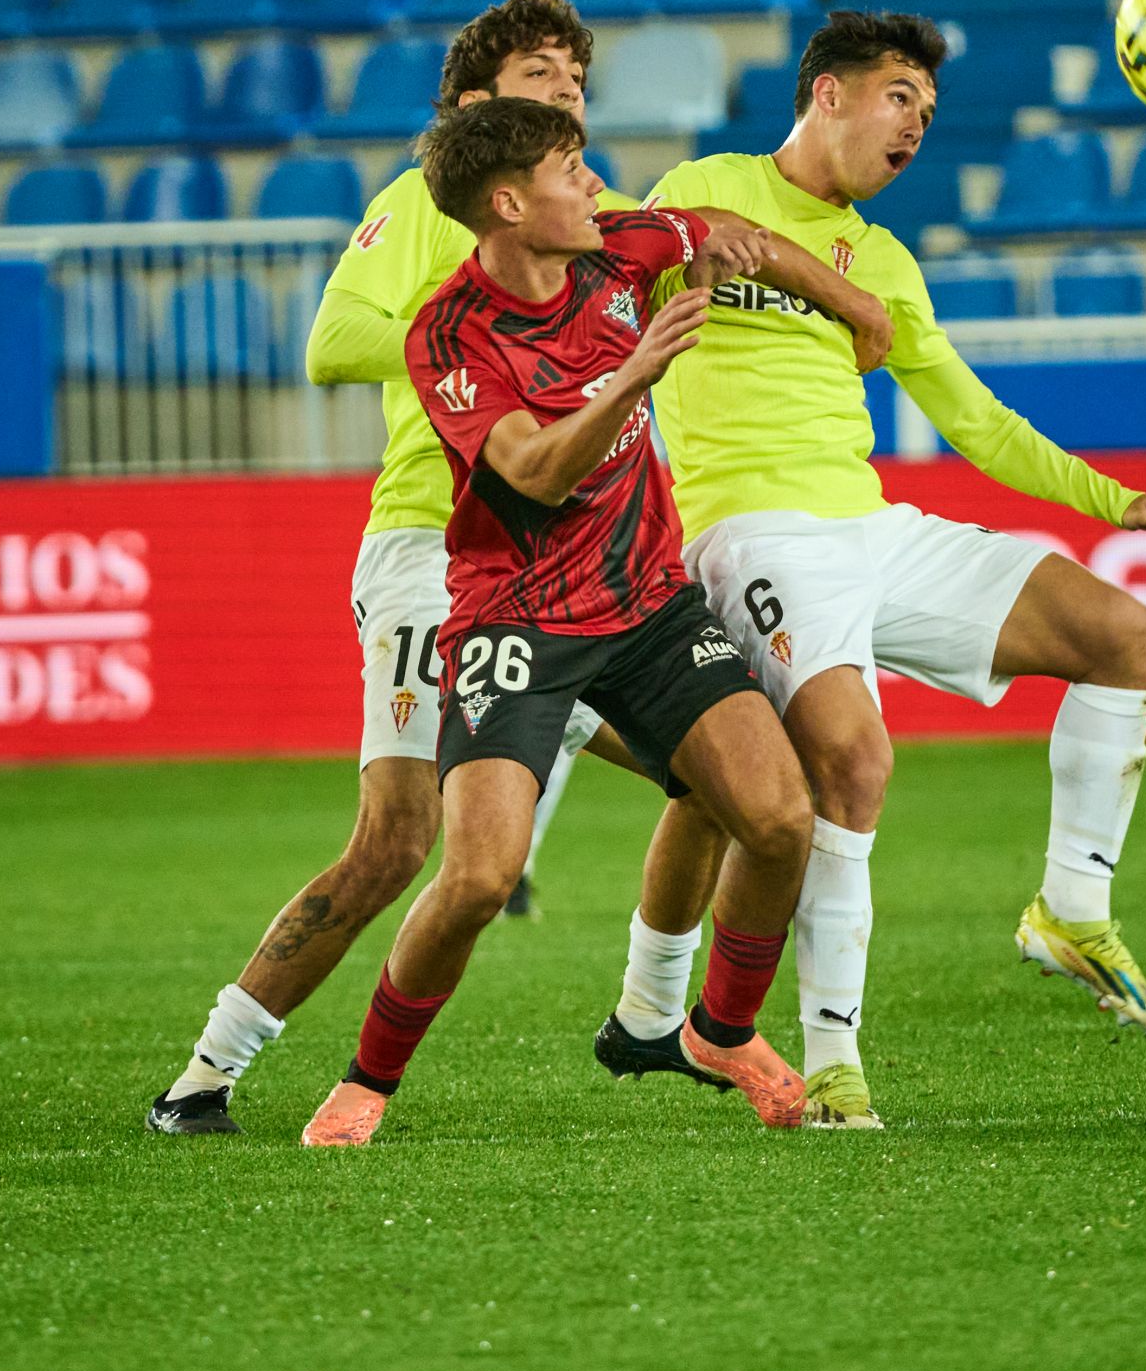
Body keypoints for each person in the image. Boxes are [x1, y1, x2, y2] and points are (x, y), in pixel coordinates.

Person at [598, 9, 1146, 1132]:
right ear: (826, 94)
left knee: (1120, 634)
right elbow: (616, 259)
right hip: (751, 533)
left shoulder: (887, 258)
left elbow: (974, 420)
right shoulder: (712, 185)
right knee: (853, 762)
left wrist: (1117, 499)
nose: (917, 125)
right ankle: (833, 1067)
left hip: (870, 527)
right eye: (899, 98)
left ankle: (1071, 908)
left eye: (929, 112)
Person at [146, 0, 634, 1135]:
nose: (566, 89)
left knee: (725, 773)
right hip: (437, 545)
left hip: (582, 555)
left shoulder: (590, 212)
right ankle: (207, 1073)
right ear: (474, 100)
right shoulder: (424, 205)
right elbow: (331, 340)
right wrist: (468, 324)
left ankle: (665, 1018)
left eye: (574, 76)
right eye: (537, 73)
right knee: (398, 839)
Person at [299, 97, 829, 1144]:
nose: (597, 183)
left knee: (779, 816)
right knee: (481, 875)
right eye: (571, 167)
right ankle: (368, 1079)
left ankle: (719, 1028)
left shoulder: (622, 249)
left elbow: (733, 234)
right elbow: (533, 473)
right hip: (516, 620)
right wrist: (636, 374)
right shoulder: (450, 335)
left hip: (646, 606)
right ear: (508, 202)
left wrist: (853, 308)